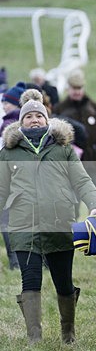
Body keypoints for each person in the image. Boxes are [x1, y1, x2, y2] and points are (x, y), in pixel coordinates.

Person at [0, 89, 96, 344]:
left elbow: (82, 181)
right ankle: (34, 337)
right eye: (29, 117)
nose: (34, 120)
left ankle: (68, 333)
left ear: (47, 120)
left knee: (63, 282)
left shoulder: (63, 149)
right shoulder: (9, 152)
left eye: (39, 116)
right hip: (23, 225)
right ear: (21, 121)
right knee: (30, 281)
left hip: (59, 223)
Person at [55, 69, 96, 190]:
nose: (77, 92)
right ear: (68, 88)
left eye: (79, 88)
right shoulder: (59, 109)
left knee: (94, 196)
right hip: (69, 163)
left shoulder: (95, 108)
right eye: (74, 88)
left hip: (91, 161)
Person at [0, 82, 26, 270]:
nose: (3, 104)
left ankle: (15, 261)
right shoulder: (31, 122)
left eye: (6, 101)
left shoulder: (9, 124)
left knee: (7, 220)